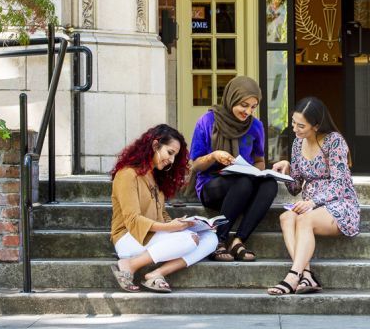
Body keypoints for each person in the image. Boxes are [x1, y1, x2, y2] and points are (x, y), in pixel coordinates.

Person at [109, 124, 217, 293]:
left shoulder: (154, 176)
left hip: (152, 236)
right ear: (155, 145)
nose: (172, 160)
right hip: (128, 238)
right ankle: (130, 265)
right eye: (170, 153)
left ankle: (157, 273)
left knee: (211, 238)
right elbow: (132, 219)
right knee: (189, 239)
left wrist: (185, 223)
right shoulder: (127, 174)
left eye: (175, 156)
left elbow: (161, 215)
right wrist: (169, 228)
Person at [268, 96, 360, 295]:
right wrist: (287, 171)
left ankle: (292, 276)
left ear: (316, 126)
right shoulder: (296, 144)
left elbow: (340, 183)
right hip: (310, 205)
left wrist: (313, 202)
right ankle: (307, 275)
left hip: (339, 204)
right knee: (286, 218)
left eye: (301, 126)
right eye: (293, 123)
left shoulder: (334, 141)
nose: (295, 129)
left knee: (304, 220)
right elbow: (295, 188)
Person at [190, 75, 278, 262]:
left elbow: (259, 160)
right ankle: (219, 240)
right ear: (231, 98)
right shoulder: (207, 121)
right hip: (212, 186)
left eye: (253, 107)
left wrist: (258, 172)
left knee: (270, 184)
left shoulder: (255, 126)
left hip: (243, 185)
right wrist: (213, 156)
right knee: (243, 182)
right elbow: (195, 165)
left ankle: (238, 240)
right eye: (243, 105)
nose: (248, 111)